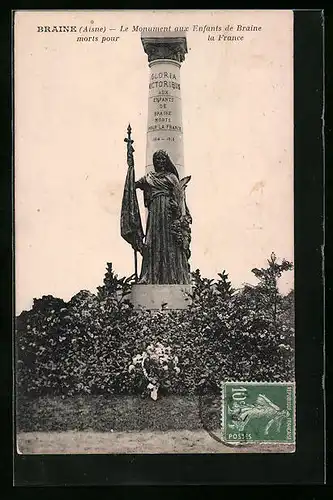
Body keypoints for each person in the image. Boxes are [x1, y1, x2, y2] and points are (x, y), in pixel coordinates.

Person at [135, 150, 192, 284]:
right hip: (154, 211)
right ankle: (149, 275)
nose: (160, 162)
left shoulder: (171, 177)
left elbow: (178, 196)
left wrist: (177, 211)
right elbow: (134, 185)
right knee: (152, 239)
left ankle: (171, 275)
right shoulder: (149, 177)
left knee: (169, 240)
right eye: (158, 159)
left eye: (162, 159)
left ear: (166, 161)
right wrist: (130, 167)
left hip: (167, 211)